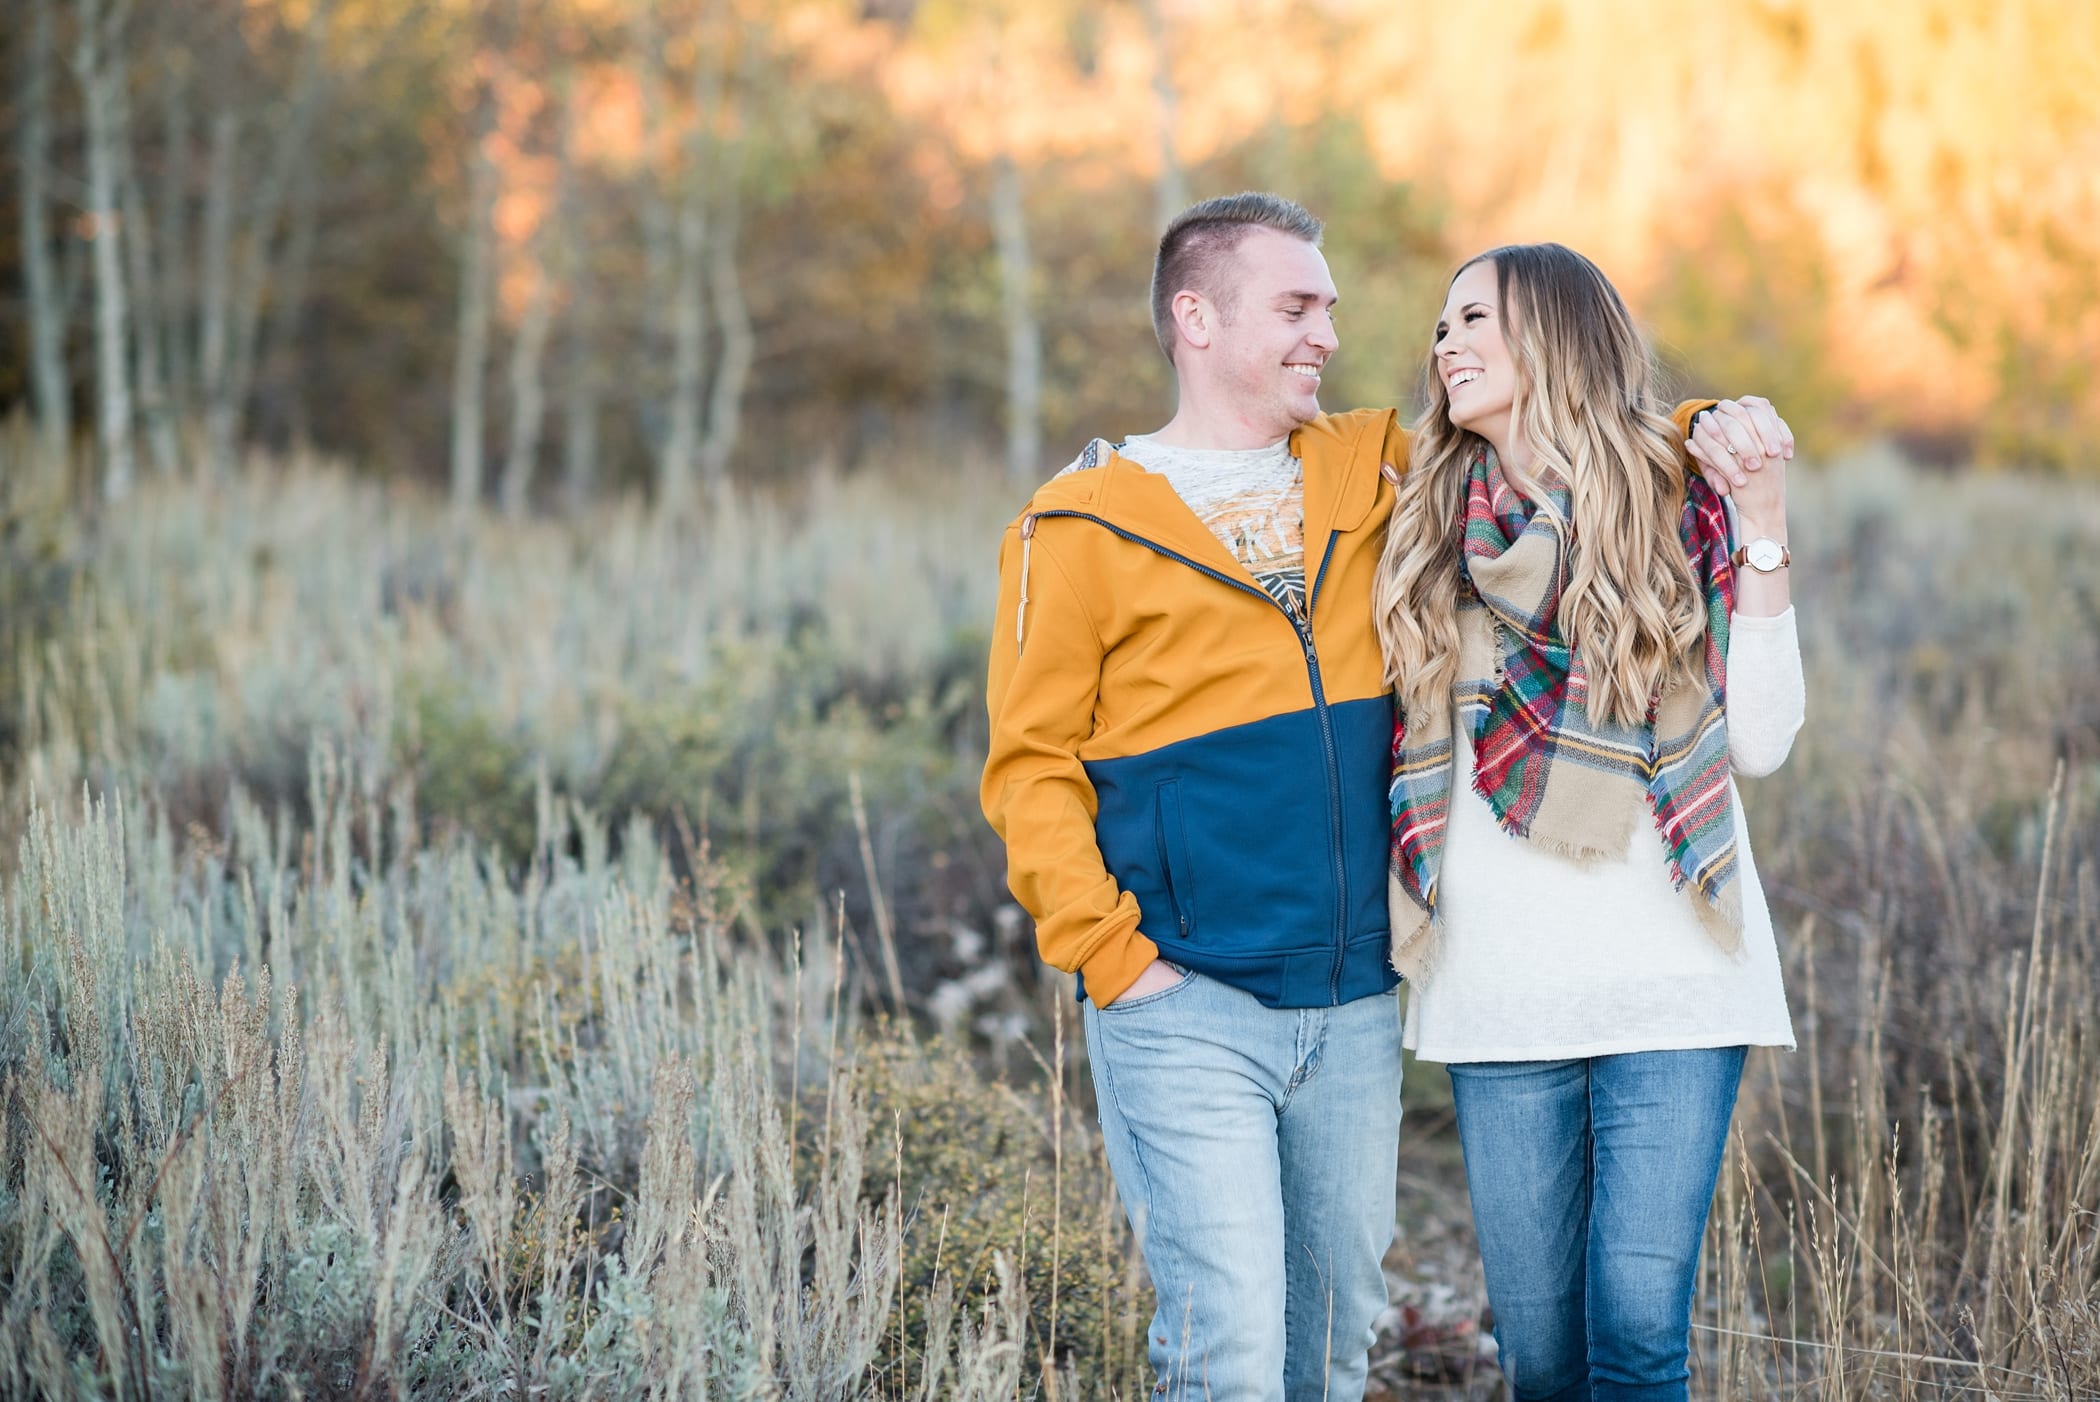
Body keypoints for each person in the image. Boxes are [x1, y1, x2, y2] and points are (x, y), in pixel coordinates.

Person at [979, 194, 1790, 1401]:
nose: (1329, 335)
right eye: (1298, 307)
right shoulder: (1080, 523)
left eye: (1334, 311)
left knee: (1336, 1338)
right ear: (1195, 317)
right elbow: (1028, 764)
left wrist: (1711, 428)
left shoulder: (1372, 464)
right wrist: (1113, 957)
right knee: (1233, 1345)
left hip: (1355, 999)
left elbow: (1571, 439)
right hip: (1186, 993)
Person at [1377, 243, 1801, 1400]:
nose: (1445, 342)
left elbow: (1759, 741)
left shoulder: (1680, 500)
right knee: (1542, 1357)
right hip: (1499, 993)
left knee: (1635, 1341)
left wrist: (1759, 517)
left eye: (1475, 318)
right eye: (1441, 324)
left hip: (1672, 982)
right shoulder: (1419, 516)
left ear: (1554, 333)